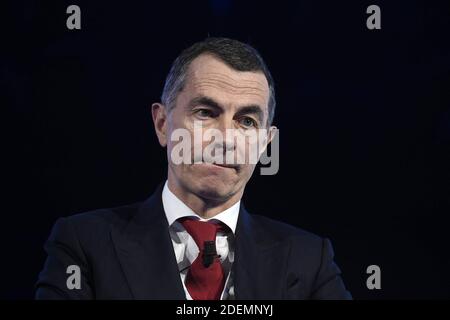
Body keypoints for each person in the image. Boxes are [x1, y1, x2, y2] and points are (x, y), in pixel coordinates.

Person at [35, 37, 352, 300]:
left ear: (266, 143)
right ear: (162, 124)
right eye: (206, 112)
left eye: (246, 121)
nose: (226, 138)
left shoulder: (310, 261)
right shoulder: (83, 245)